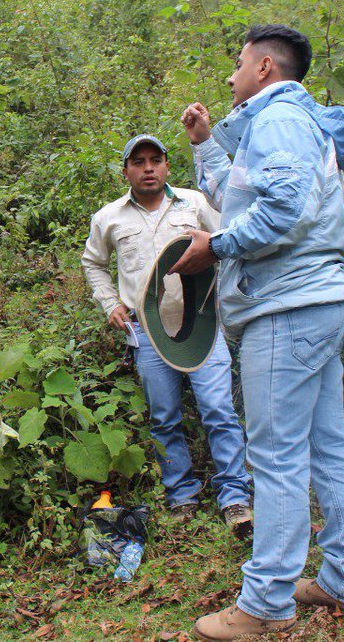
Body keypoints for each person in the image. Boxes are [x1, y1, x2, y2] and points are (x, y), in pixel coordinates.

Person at [169, 25, 344, 640]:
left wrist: (217, 249)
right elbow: (245, 199)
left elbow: (283, 211)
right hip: (315, 303)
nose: (230, 77)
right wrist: (205, 146)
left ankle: (265, 603)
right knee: (327, 442)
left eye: (236, 65)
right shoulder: (283, 125)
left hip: (286, 310)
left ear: (263, 68)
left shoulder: (280, 118)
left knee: (277, 456)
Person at [81, 134, 253, 532]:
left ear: (167, 166)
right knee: (164, 418)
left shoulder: (194, 203)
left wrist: (230, 294)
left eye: (155, 160)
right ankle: (182, 495)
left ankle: (235, 499)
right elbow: (93, 263)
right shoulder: (109, 217)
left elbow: (230, 239)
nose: (148, 168)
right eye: (138, 162)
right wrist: (111, 303)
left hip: (204, 327)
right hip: (147, 334)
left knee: (220, 412)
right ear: (125, 170)